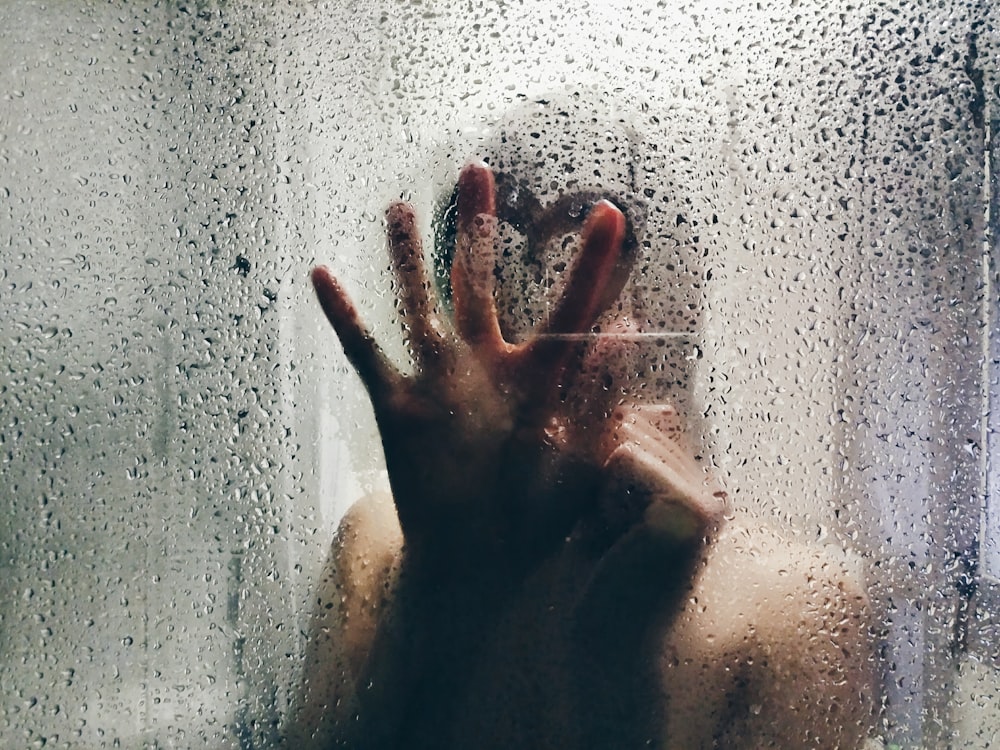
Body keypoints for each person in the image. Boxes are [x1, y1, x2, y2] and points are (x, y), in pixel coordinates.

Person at [288, 162, 878, 749]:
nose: (546, 300)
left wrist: (613, 673)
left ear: (677, 314)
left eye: (604, 252)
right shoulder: (381, 543)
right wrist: (435, 592)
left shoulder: (792, 603)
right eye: (509, 245)